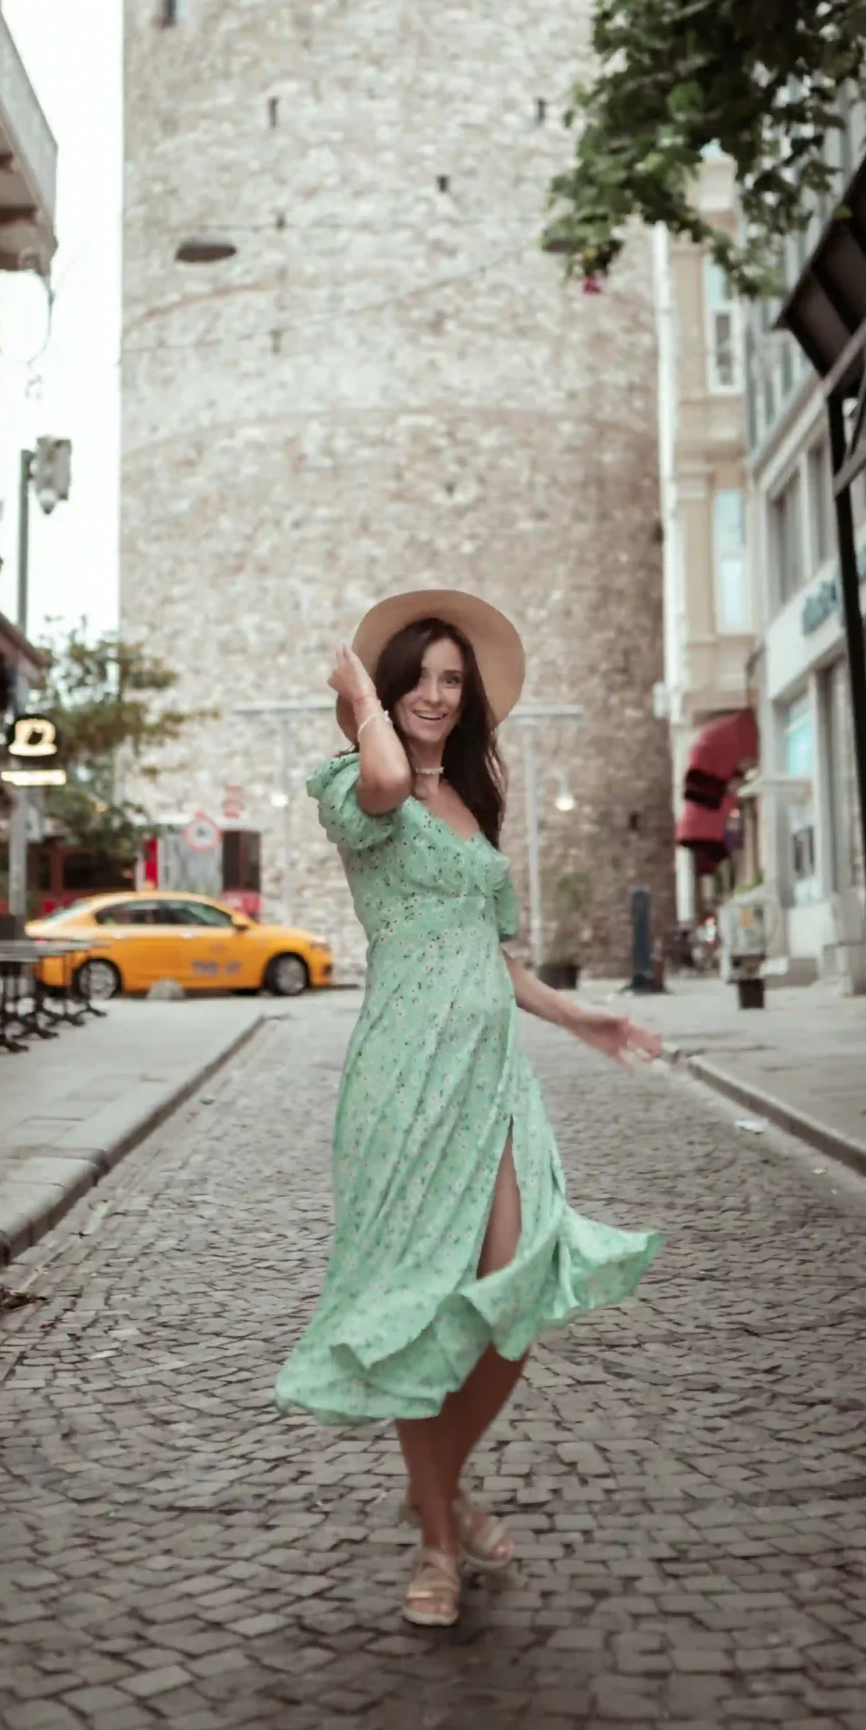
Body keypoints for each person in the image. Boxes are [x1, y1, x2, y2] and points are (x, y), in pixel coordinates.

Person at [274, 589, 663, 1629]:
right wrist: (358, 689)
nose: (437, 695)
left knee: (516, 1284)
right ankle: (438, 1541)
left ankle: (429, 1485)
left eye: (453, 680)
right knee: (420, 1297)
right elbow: (394, 773)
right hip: (405, 1073)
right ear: (387, 687)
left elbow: (502, 958)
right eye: (419, 678)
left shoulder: (476, 810)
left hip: (490, 1073)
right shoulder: (357, 784)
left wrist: (587, 1021)